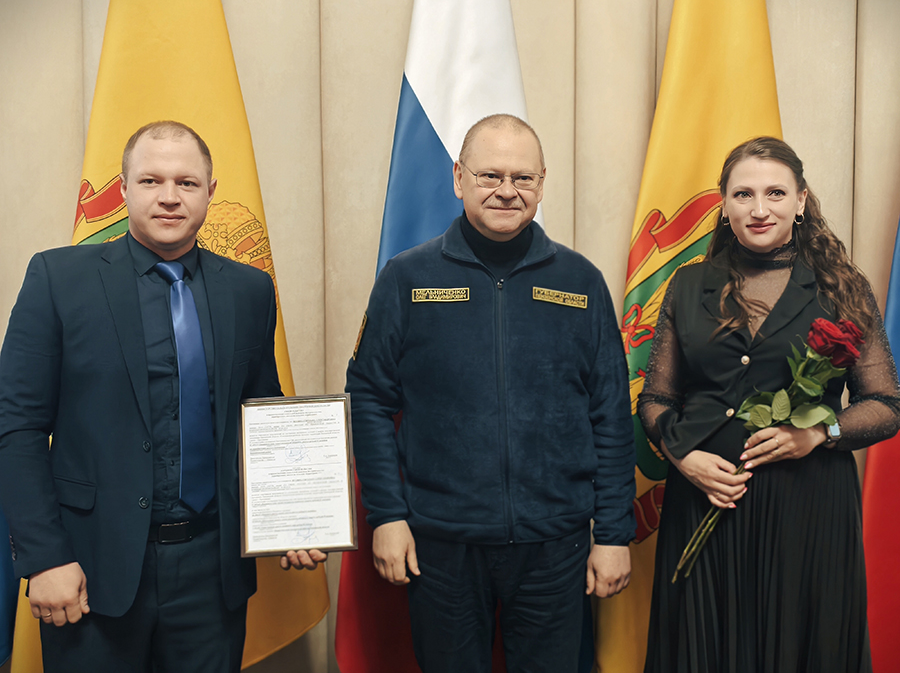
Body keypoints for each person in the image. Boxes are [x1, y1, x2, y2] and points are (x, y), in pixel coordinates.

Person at [0, 121, 325, 673]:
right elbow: (17, 426)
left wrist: (294, 517)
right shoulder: (58, 278)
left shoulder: (249, 289)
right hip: (90, 567)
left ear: (210, 192)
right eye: (151, 181)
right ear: (124, 187)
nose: (169, 197)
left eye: (186, 183)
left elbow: (261, 419)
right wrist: (46, 556)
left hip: (211, 571)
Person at [345, 114, 636, 673]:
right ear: (459, 178)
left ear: (542, 184)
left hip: (557, 546)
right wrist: (387, 516)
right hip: (440, 545)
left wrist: (614, 534)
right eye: (490, 176)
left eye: (523, 178)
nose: (507, 190)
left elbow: (611, 415)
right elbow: (370, 400)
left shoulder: (580, 282)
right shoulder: (407, 278)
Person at [638, 136, 900, 673]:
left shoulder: (843, 287)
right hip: (707, 500)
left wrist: (820, 433)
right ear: (724, 205)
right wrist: (683, 457)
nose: (759, 209)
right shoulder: (687, 285)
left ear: (801, 200)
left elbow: (885, 403)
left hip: (809, 507)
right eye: (743, 194)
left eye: (775, 193)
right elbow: (656, 400)